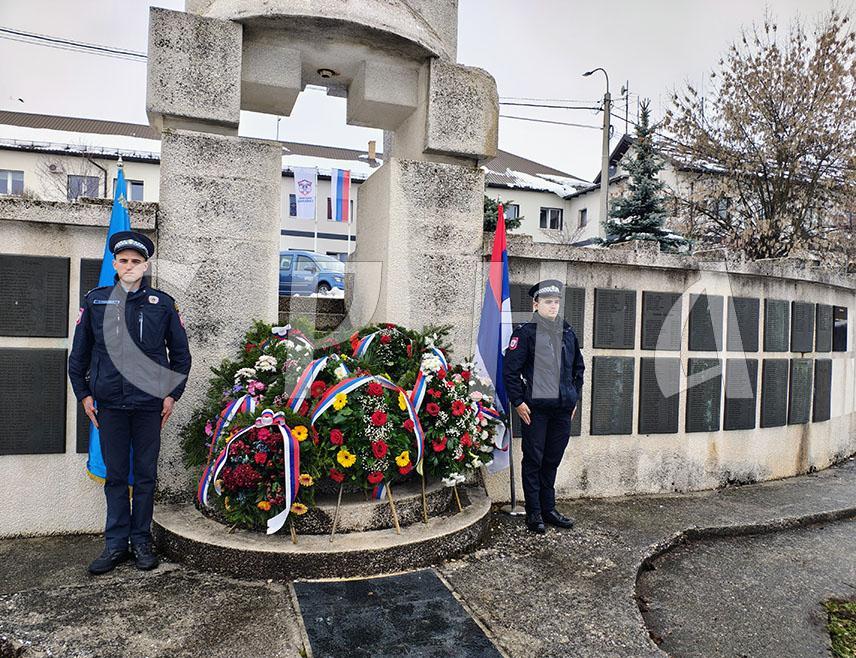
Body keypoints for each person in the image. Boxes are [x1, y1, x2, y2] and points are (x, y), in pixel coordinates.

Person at [68, 231, 192, 574]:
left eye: (136, 261)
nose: (129, 266)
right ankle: (115, 544)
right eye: (123, 260)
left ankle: (141, 541)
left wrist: (172, 395)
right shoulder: (96, 302)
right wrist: (84, 395)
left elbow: (181, 357)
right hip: (109, 405)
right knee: (116, 477)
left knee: (146, 476)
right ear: (114, 264)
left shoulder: (162, 304)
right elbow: (78, 356)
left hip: (149, 405)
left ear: (145, 266)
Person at [503, 279, 585, 534]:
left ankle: (549, 509)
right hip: (536, 410)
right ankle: (534, 512)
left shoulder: (567, 331)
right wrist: (518, 402)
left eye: (556, 302)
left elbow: (578, 369)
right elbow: (510, 371)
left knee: (552, 459)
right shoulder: (525, 333)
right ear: (535, 304)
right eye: (548, 302)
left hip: (562, 410)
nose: (553, 306)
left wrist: (573, 397)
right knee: (534, 460)